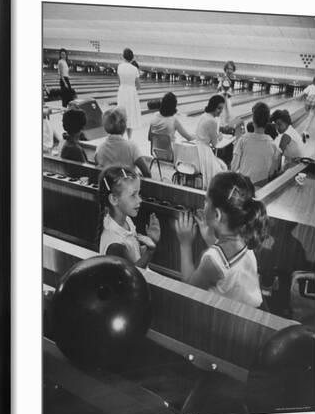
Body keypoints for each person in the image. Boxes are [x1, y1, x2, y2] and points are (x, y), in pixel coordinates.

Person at [175, 172, 268, 307]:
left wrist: (185, 243)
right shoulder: (244, 239)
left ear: (217, 215)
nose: (204, 203)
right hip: (250, 314)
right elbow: (226, 262)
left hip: (228, 322)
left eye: (206, 200)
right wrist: (210, 238)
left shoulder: (211, 261)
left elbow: (190, 290)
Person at [97, 166, 161, 268]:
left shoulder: (126, 220)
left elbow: (135, 253)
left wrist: (151, 240)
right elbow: (133, 273)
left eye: (138, 194)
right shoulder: (115, 245)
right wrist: (150, 251)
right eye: (133, 195)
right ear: (114, 199)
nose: (140, 200)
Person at [231, 102, 281, 186]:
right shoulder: (274, 146)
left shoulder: (243, 140)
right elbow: (272, 173)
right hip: (262, 190)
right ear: (267, 122)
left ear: (253, 120)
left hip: (244, 188)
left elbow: (233, 168)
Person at [95, 107, 151, 177]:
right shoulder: (132, 147)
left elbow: (99, 170)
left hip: (109, 186)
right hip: (129, 186)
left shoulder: (100, 148)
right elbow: (147, 173)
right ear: (124, 126)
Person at [117, 48, 142, 139]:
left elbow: (119, 83)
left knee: (122, 114)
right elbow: (138, 86)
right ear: (132, 58)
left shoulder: (119, 67)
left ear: (123, 56)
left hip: (122, 91)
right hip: (131, 93)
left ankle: (121, 137)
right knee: (130, 116)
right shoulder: (134, 69)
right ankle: (129, 138)